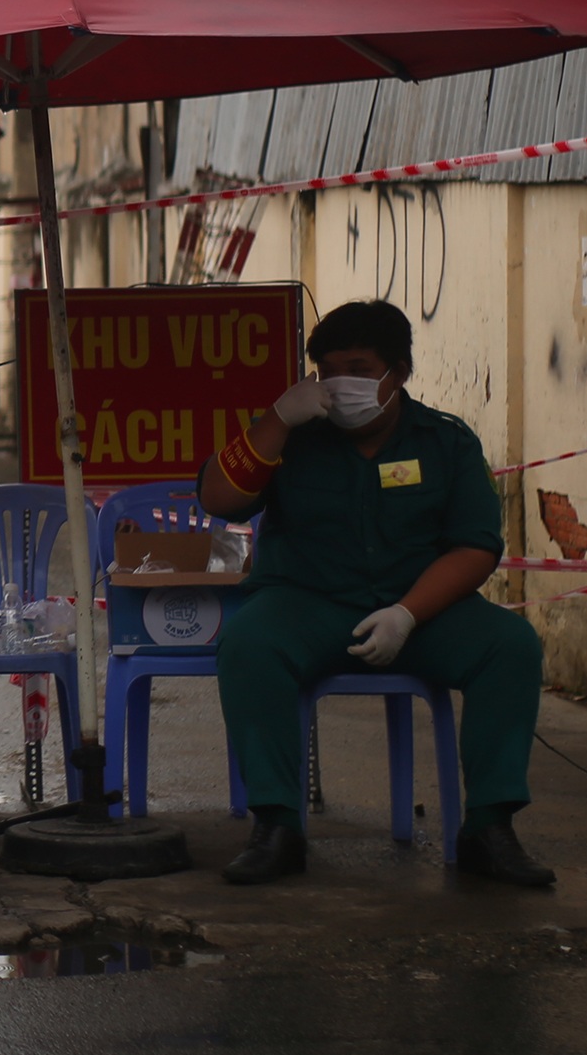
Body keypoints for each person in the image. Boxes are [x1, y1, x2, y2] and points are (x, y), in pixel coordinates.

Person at [199, 297, 553, 888]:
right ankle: (278, 827)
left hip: (420, 609)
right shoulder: (292, 438)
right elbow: (217, 499)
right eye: (330, 371)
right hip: (306, 602)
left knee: (510, 645)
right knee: (247, 646)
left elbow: (474, 547)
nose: (343, 386)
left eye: (360, 370)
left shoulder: (445, 441)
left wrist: (408, 614)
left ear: (400, 372)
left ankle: (490, 829)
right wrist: (278, 417)